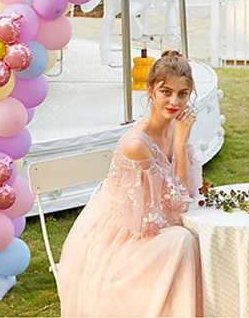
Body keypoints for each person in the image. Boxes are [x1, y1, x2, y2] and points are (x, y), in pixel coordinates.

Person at [58, 50, 204, 317]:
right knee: (182, 240)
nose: (174, 102)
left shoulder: (175, 127)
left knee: (200, 234)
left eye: (182, 94)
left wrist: (180, 142)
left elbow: (187, 193)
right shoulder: (137, 144)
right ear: (150, 90)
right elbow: (177, 203)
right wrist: (181, 145)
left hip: (159, 218)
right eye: (166, 92)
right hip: (124, 235)